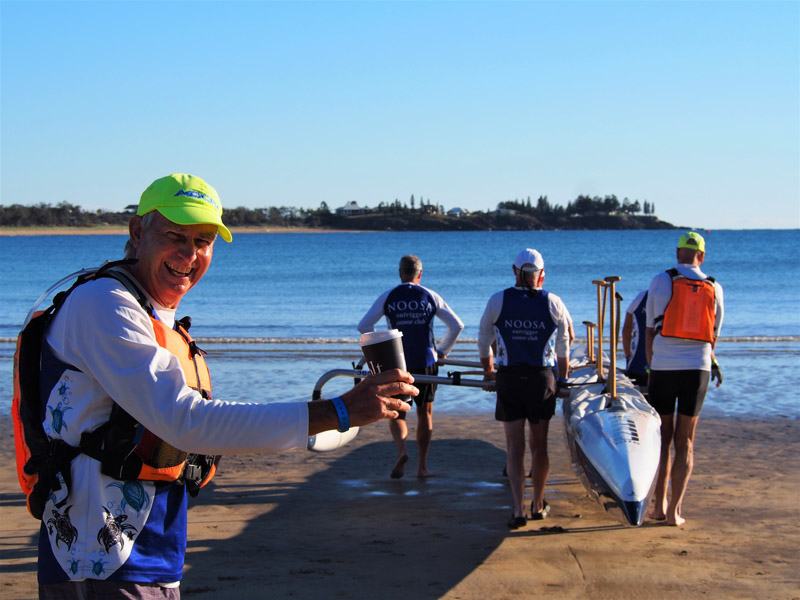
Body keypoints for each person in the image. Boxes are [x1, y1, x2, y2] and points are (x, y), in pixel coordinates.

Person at [22, 173, 415, 599]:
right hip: (96, 563)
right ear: (137, 232)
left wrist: (335, 423)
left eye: (203, 241)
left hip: (150, 560)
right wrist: (338, 411)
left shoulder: (149, 312)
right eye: (175, 236)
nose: (189, 254)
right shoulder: (103, 304)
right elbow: (185, 420)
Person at [478, 249, 571, 529]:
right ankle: (538, 505)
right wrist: (563, 380)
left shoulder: (497, 300)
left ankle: (518, 509)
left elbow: (483, 340)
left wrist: (489, 373)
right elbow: (565, 344)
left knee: (514, 448)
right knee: (539, 446)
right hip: (541, 380)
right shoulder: (553, 301)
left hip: (509, 379)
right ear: (541, 274)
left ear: (515, 271)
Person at [358, 254, 464, 479]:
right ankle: (422, 467)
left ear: (400, 273)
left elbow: (364, 326)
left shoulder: (389, 296)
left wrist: (382, 347)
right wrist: (442, 350)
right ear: (420, 274)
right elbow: (457, 325)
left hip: (396, 363)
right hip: (426, 361)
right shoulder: (430, 295)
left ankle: (402, 451)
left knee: (397, 412)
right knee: (425, 413)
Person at [645, 231, 724, 526]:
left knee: (663, 438)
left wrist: (651, 364)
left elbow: (650, 329)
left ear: (677, 253)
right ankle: (675, 512)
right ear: (701, 256)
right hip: (697, 369)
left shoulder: (661, 280)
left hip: (664, 367)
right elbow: (713, 336)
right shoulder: (715, 287)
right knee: (685, 441)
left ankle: (659, 506)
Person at [622, 289, 649, 389]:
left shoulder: (642, 296)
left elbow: (626, 330)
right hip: (668, 366)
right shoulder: (674, 295)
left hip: (638, 364)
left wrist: (628, 356)